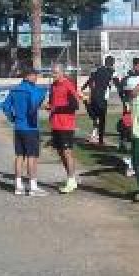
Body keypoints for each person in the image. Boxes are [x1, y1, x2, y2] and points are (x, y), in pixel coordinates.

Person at [3, 66, 48, 196]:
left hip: (18, 127)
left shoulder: (15, 90)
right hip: (30, 128)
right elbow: (34, 105)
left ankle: (18, 186)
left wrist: (12, 118)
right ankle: (32, 187)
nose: (36, 77)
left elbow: (6, 106)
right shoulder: (33, 90)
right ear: (27, 76)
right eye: (34, 75)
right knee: (31, 157)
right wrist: (41, 101)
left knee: (19, 156)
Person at [45, 64, 81, 193]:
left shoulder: (68, 85)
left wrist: (56, 108)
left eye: (55, 72)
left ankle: (71, 180)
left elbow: (75, 105)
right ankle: (71, 179)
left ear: (62, 73)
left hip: (66, 124)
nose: (53, 75)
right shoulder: (53, 86)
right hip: (55, 124)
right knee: (61, 153)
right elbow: (52, 102)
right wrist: (49, 106)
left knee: (67, 152)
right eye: (52, 72)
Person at [81, 56, 117, 145]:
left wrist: (83, 88)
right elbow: (117, 83)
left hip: (94, 95)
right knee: (102, 119)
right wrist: (122, 92)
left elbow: (90, 80)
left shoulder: (98, 70)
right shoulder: (112, 72)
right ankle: (100, 139)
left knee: (95, 115)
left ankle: (94, 134)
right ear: (112, 63)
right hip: (102, 98)